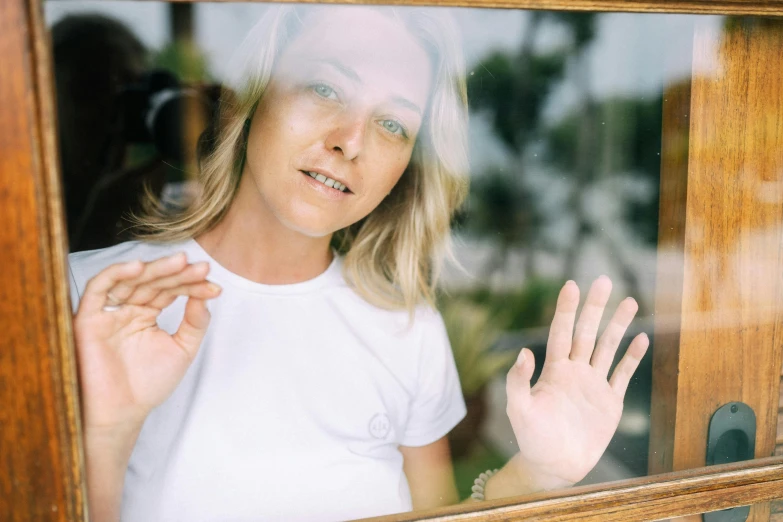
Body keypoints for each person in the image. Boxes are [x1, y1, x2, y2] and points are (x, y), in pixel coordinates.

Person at [67, 5, 650, 522]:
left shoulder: (406, 329)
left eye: (393, 124)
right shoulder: (86, 297)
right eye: (324, 88)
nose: (352, 141)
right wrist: (107, 432)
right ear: (251, 95)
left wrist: (537, 473)